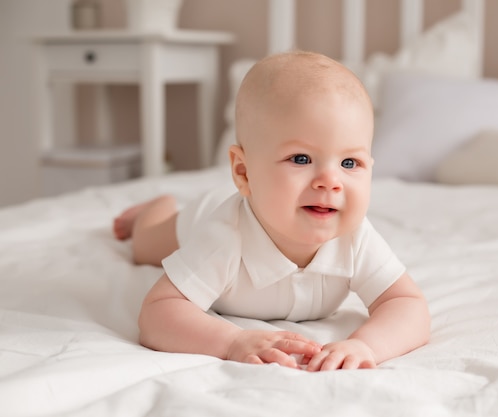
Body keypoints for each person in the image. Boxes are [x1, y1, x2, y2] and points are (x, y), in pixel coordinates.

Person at [113, 51, 430, 371]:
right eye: (301, 159)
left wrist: (366, 345)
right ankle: (155, 208)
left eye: (350, 163)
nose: (330, 182)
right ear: (244, 172)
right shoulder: (224, 236)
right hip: (200, 216)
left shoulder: (356, 237)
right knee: (144, 245)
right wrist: (232, 341)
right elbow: (157, 313)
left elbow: (406, 304)